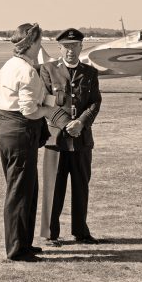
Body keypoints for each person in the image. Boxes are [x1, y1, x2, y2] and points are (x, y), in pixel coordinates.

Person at [0, 23, 67, 262]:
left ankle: (23, 242)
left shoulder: (10, 66)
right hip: (19, 131)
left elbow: (21, 97)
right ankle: (17, 249)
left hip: (6, 128)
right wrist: (48, 111)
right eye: (40, 42)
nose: (41, 46)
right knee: (19, 191)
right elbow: (28, 110)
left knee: (26, 188)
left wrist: (50, 99)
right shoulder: (26, 70)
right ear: (32, 44)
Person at [39, 28, 102, 247]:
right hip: (56, 140)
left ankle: (81, 231)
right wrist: (68, 124)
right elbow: (45, 102)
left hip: (82, 140)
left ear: (81, 47)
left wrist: (81, 123)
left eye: (74, 46)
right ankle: (50, 234)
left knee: (81, 187)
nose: (70, 51)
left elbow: (95, 102)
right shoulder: (47, 70)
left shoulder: (90, 73)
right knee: (53, 188)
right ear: (60, 48)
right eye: (66, 46)